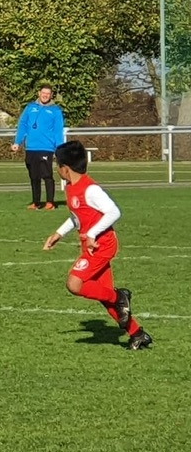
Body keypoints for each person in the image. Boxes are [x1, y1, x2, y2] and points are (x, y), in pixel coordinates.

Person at [43, 141, 152, 350]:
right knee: (103, 294)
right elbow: (78, 216)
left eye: (57, 165)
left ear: (65, 168)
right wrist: (59, 233)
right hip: (91, 246)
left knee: (74, 284)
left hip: (102, 245)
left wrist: (92, 233)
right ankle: (137, 334)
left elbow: (114, 212)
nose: (57, 170)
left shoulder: (90, 189)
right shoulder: (71, 188)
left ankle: (121, 296)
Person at [12, 86, 66, 210]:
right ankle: (36, 202)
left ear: (51, 95)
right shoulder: (30, 107)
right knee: (34, 176)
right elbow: (23, 125)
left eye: (48, 93)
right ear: (39, 93)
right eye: (43, 93)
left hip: (46, 147)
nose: (45, 95)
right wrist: (17, 142)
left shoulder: (55, 110)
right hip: (31, 147)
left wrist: (59, 148)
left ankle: (50, 202)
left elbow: (58, 130)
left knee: (46, 175)